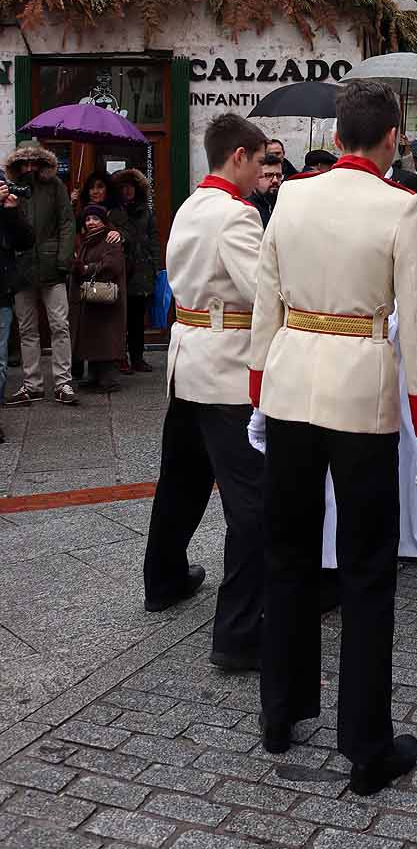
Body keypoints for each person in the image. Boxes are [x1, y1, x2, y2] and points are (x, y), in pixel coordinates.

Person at [250, 80, 417, 792]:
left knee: (289, 553)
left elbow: (265, 297)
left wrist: (257, 391)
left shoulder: (292, 196)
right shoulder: (401, 207)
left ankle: (280, 710)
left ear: (336, 137)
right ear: (393, 140)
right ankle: (365, 744)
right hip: (360, 391)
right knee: (365, 569)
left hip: (293, 380)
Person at [142, 114, 267, 674]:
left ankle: (163, 579)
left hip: (186, 363)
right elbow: (263, 293)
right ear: (237, 156)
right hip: (224, 372)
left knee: (183, 483)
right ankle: (238, 633)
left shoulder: (191, 205)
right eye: (261, 161)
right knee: (252, 506)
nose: (264, 173)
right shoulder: (236, 215)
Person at [321, 237, 417, 583]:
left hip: (413, 365)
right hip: (362, 358)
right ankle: (364, 541)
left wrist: (390, 321)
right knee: (357, 450)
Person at [5, 142, 80, 407]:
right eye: (23, 163)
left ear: (41, 162)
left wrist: (63, 258)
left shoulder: (55, 186)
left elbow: (67, 222)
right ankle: (32, 384)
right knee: (27, 328)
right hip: (21, 266)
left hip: (51, 266)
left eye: (33, 162)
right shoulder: (11, 189)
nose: (28, 168)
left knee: (60, 324)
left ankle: (63, 382)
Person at [72, 205, 128, 393]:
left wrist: (87, 269)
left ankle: (108, 380)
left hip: (107, 300)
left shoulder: (110, 238)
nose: (91, 223)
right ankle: (95, 377)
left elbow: (112, 266)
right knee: (94, 337)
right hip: (94, 298)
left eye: (95, 219)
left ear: (103, 221)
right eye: (88, 219)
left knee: (105, 338)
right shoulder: (89, 240)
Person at [109, 168, 159, 374]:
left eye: (131, 186)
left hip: (141, 270)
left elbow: (153, 239)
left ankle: (137, 357)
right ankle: (119, 358)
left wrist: (156, 265)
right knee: (118, 319)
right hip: (120, 271)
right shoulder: (112, 211)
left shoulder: (145, 212)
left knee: (138, 319)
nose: (127, 191)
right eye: (123, 187)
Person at [0, 177, 32, 427]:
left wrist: (11, 211)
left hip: (2, 292)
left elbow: (24, 241)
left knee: (0, 360)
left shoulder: (7, 210)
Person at [249, 155, 283, 228]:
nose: (275, 180)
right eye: (268, 175)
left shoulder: (282, 203)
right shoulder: (248, 209)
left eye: (279, 175)